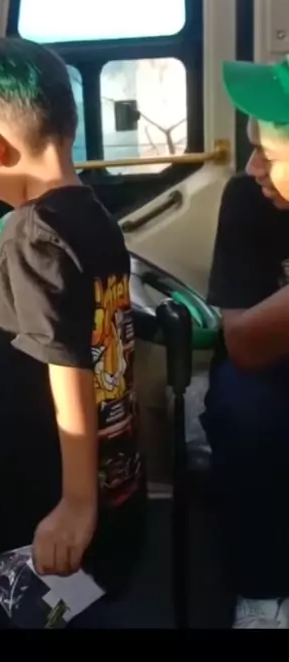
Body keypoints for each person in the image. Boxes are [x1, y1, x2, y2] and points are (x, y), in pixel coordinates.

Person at [0, 37, 146, 602]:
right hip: (111, 480)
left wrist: (76, 502)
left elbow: (68, 367)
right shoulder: (94, 216)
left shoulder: (28, 233)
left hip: (39, 492)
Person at [203, 55, 289, 629]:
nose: (254, 166)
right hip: (267, 362)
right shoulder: (245, 201)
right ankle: (262, 589)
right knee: (243, 408)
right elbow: (243, 340)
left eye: (270, 155)